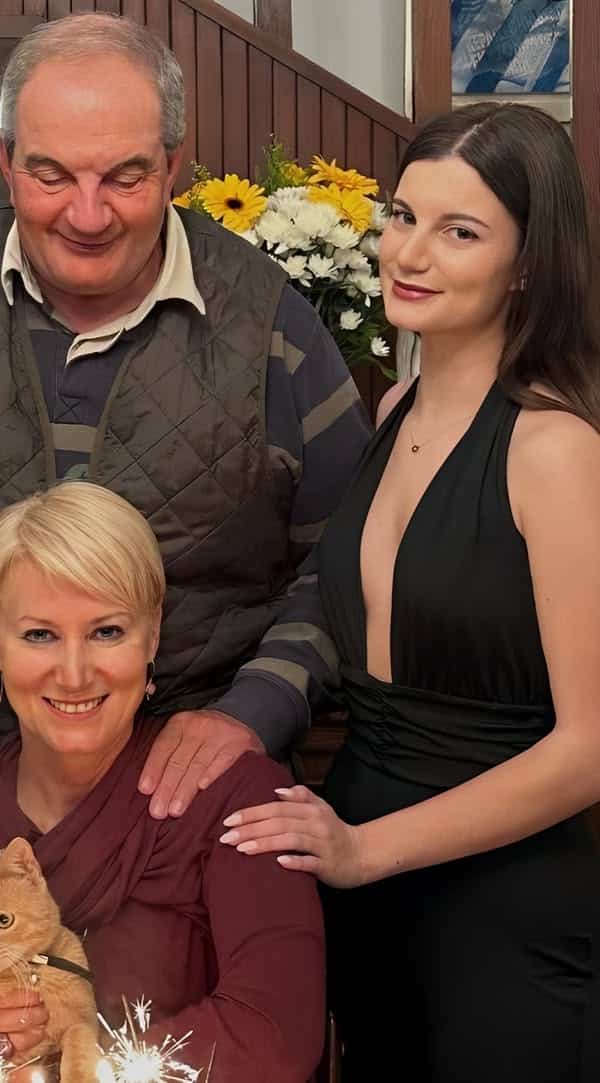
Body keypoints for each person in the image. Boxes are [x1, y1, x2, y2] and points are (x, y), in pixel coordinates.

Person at [0, 12, 371, 877]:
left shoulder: (272, 320)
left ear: (174, 164)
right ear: (6, 158)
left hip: (191, 830)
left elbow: (347, 568)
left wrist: (252, 712)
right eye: (50, 174)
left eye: (125, 176)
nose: (87, 215)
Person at [220, 102, 600, 1082]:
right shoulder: (392, 407)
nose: (410, 252)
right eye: (402, 216)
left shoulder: (555, 449)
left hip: (505, 911)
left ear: (528, 264)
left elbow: (589, 748)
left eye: (459, 231)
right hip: (365, 887)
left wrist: (366, 848)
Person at [0, 482, 326, 1083]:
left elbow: (277, 1037)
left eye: (107, 631)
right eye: (40, 635)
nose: (76, 673)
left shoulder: (233, 797)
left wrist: (85, 1068)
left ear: (153, 634)